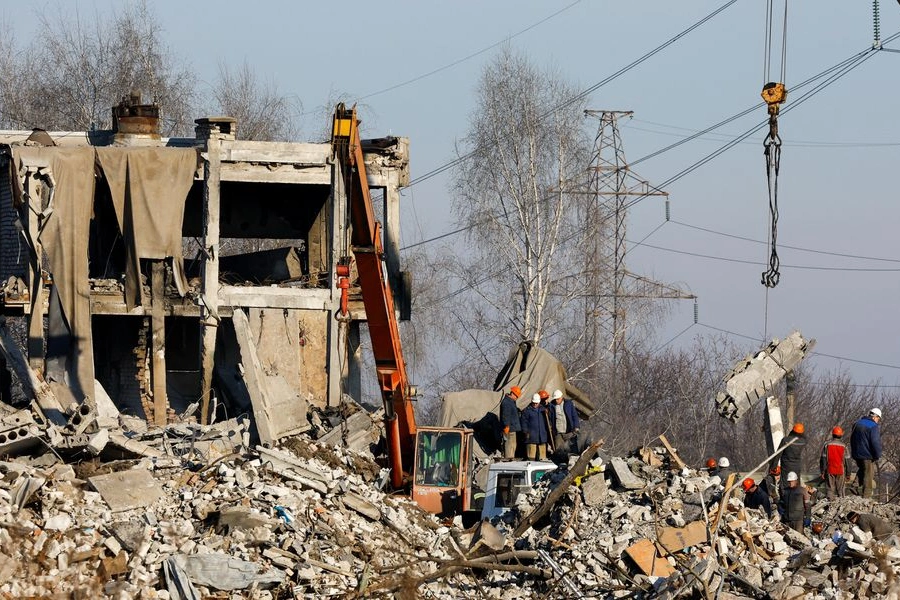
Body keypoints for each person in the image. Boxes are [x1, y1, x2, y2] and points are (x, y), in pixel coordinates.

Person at [851, 408, 883, 499]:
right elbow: (875, 442)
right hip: (867, 454)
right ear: (875, 417)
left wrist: (854, 452)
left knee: (862, 469)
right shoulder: (873, 426)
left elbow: (852, 438)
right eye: (878, 419)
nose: (878, 421)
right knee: (869, 474)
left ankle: (855, 485)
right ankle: (866, 496)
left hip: (857, 453)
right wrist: (877, 455)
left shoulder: (857, 423)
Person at [820, 426, 851, 499]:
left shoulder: (827, 445)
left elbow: (823, 459)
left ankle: (829, 505)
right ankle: (841, 505)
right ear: (841, 435)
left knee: (830, 490)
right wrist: (848, 474)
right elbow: (848, 461)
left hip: (830, 470)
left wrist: (823, 471)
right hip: (840, 470)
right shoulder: (844, 446)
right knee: (841, 490)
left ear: (832, 434)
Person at [549, 389, 579, 461]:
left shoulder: (568, 404)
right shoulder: (551, 405)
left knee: (570, 449)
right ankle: (559, 464)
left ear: (561, 397)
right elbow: (550, 418)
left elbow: (574, 415)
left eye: (558, 399)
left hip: (568, 431)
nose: (556, 401)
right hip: (558, 432)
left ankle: (570, 463)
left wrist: (576, 426)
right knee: (559, 450)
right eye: (555, 399)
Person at [779, 423, 807, 494]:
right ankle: (797, 498)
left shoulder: (785, 440)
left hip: (786, 465)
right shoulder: (803, 441)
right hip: (797, 466)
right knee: (796, 483)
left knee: (786, 482)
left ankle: (785, 498)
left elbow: (778, 454)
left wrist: (773, 466)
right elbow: (804, 437)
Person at [521, 393, 550, 460]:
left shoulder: (543, 410)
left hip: (542, 437)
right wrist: (525, 431)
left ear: (539, 402)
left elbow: (548, 421)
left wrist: (548, 412)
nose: (535, 404)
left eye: (536, 403)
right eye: (534, 403)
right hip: (531, 437)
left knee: (542, 457)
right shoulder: (527, 411)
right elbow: (524, 422)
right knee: (531, 456)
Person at [499, 386, 523, 459]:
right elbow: (505, 416)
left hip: (512, 429)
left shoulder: (511, 402)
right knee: (509, 448)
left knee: (512, 447)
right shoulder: (507, 402)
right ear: (512, 393)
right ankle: (509, 462)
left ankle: (510, 460)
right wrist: (506, 426)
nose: (516, 397)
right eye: (516, 395)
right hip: (509, 430)